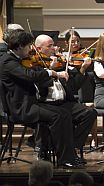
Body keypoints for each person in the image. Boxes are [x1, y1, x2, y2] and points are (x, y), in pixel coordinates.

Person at [0, 30, 96, 168]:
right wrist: (51, 72)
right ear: (20, 46)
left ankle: (66, 154)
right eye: (28, 46)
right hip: (22, 107)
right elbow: (30, 76)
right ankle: (64, 158)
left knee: (64, 114)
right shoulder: (8, 61)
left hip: (30, 103)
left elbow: (34, 74)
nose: (30, 50)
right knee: (60, 115)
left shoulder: (18, 60)